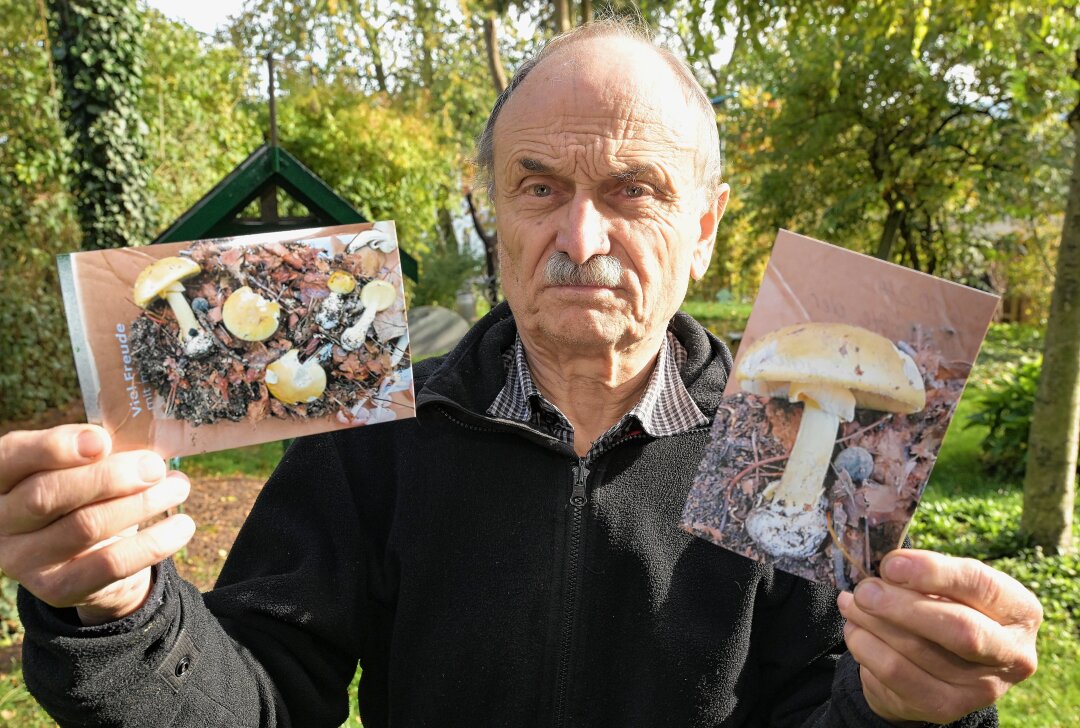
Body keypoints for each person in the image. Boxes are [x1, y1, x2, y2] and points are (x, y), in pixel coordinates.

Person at [0, 20, 1041, 727]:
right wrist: (123, 610)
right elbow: (267, 692)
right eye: (538, 185)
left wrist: (906, 702)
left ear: (706, 229)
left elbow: (819, 703)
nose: (579, 236)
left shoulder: (800, 448)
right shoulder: (376, 433)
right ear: (497, 208)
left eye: (634, 190)